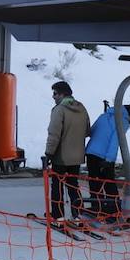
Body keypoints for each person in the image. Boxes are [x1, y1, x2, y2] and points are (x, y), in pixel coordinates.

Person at [45, 80, 90, 221]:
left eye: (55, 93)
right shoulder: (82, 108)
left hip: (61, 156)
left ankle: (58, 215)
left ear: (63, 94)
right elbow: (87, 131)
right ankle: (77, 214)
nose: (53, 96)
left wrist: (49, 154)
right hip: (77, 156)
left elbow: (54, 135)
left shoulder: (59, 110)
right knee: (73, 185)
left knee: (57, 185)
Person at [85, 102, 130, 217]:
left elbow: (92, 131)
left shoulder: (104, 115)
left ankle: (97, 207)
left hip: (91, 152)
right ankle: (114, 209)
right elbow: (115, 141)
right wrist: (109, 160)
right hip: (104, 156)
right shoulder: (122, 120)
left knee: (94, 182)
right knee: (109, 183)